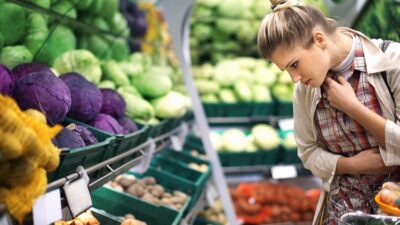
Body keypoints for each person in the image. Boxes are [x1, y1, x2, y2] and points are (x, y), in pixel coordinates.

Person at [257, 0, 400, 224]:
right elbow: (307, 151)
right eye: (286, 70)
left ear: (319, 39)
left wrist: (353, 108)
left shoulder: (393, 62)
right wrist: (352, 165)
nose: (294, 78)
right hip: (338, 214)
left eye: (294, 64)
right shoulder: (304, 90)